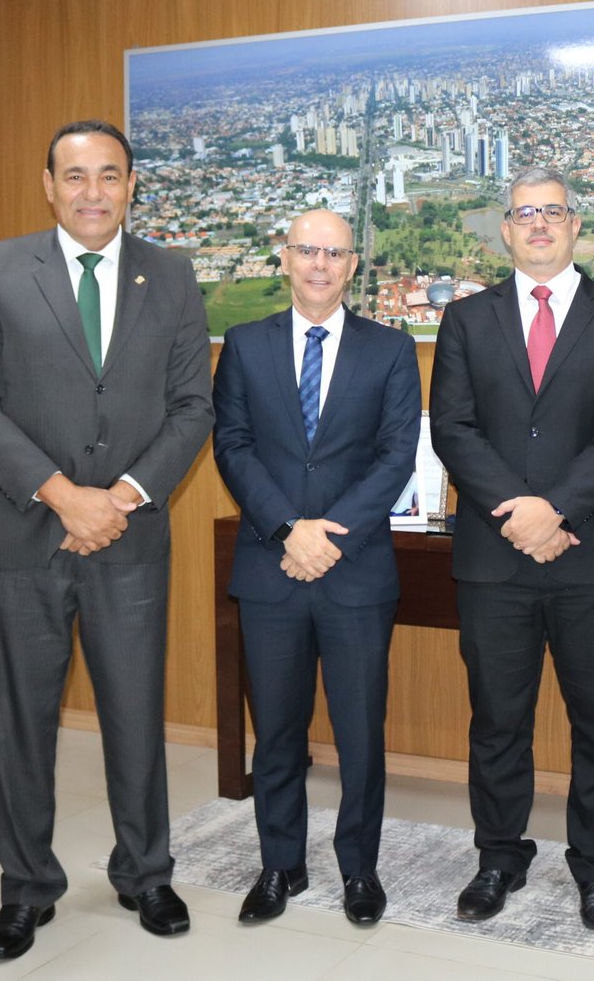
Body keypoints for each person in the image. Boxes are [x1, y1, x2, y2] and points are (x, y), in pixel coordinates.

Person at [0, 119, 213, 959]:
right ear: (48, 185)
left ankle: (145, 872)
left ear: (132, 185)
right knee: (21, 723)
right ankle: (26, 887)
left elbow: (192, 407)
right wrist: (65, 495)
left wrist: (123, 497)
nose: (92, 191)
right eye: (75, 175)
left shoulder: (168, 273)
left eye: (109, 175)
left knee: (135, 713)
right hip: (26, 535)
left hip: (129, 540)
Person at [430, 166, 594, 931]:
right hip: (495, 563)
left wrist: (553, 509)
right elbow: (452, 429)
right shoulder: (464, 321)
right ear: (504, 228)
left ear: (574, 224)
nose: (538, 225)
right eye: (524, 213)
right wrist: (518, 516)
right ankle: (499, 854)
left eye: (552, 213)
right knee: (498, 718)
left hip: (593, 558)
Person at [211, 209, 420, 927]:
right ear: (285, 257)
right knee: (276, 730)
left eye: (334, 253)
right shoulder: (243, 344)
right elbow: (232, 445)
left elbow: (397, 455)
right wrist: (285, 528)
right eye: (307, 250)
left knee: (360, 730)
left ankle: (359, 869)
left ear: (353, 264)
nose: (320, 264)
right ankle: (281, 864)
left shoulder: (391, 350)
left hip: (354, 568)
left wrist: (329, 535)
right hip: (271, 568)